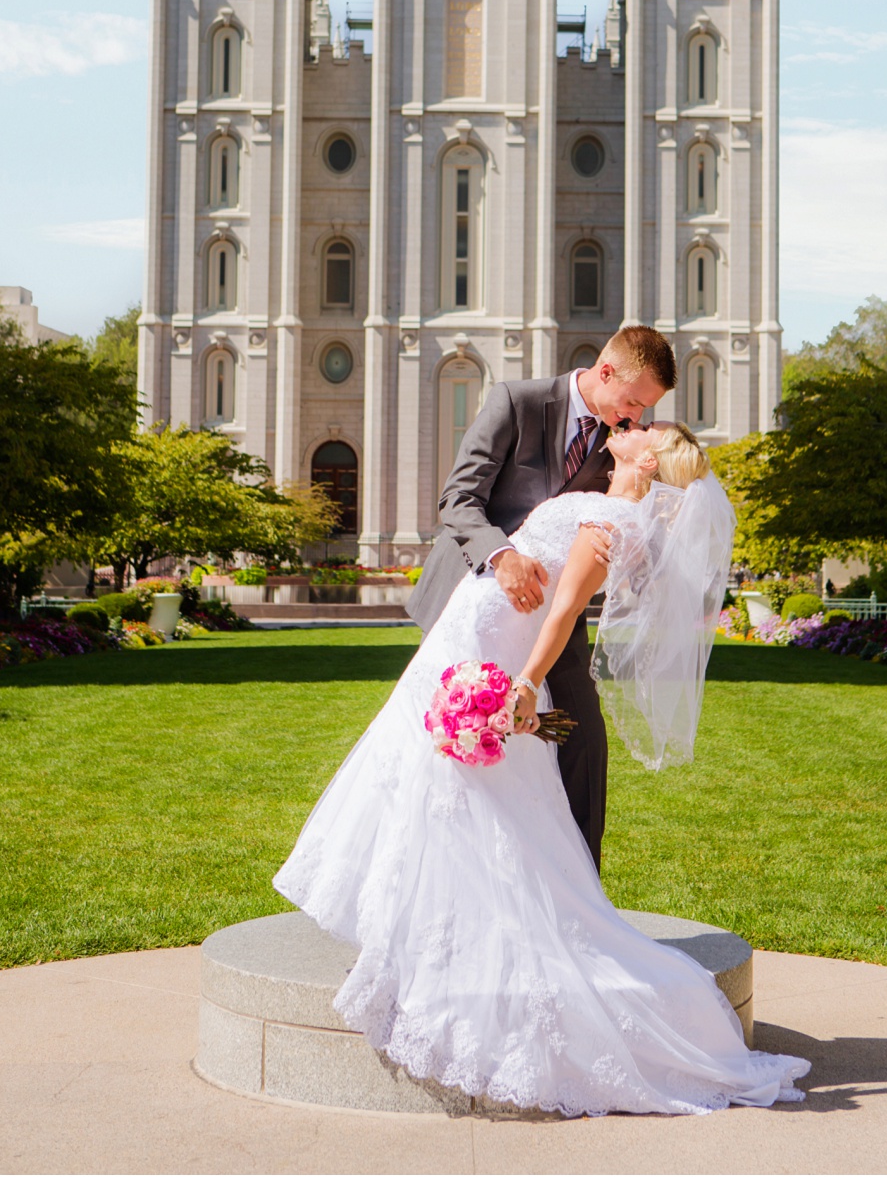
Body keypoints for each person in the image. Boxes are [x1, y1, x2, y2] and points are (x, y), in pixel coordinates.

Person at [274, 421, 811, 1115]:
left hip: (497, 652)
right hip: (474, 629)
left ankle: (443, 936)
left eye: (644, 426)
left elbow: (560, 616)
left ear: (647, 457)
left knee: (464, 797)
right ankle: (417, 921)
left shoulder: (609, 523)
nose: (631, 425)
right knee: (425, 780)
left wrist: (523, 685)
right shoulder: (603, 501)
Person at [407, 326, 675, 869]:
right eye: (631, 401)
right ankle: (448, 876)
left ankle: (581, 893)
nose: (634, 418)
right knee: (453, 746)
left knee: (583, 741)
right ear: (605, 372)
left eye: (646, 410)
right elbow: (459, 498)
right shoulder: (518, 402)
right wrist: (502, 558)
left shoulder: (623, 443)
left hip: (556, 615)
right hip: (475, 600)